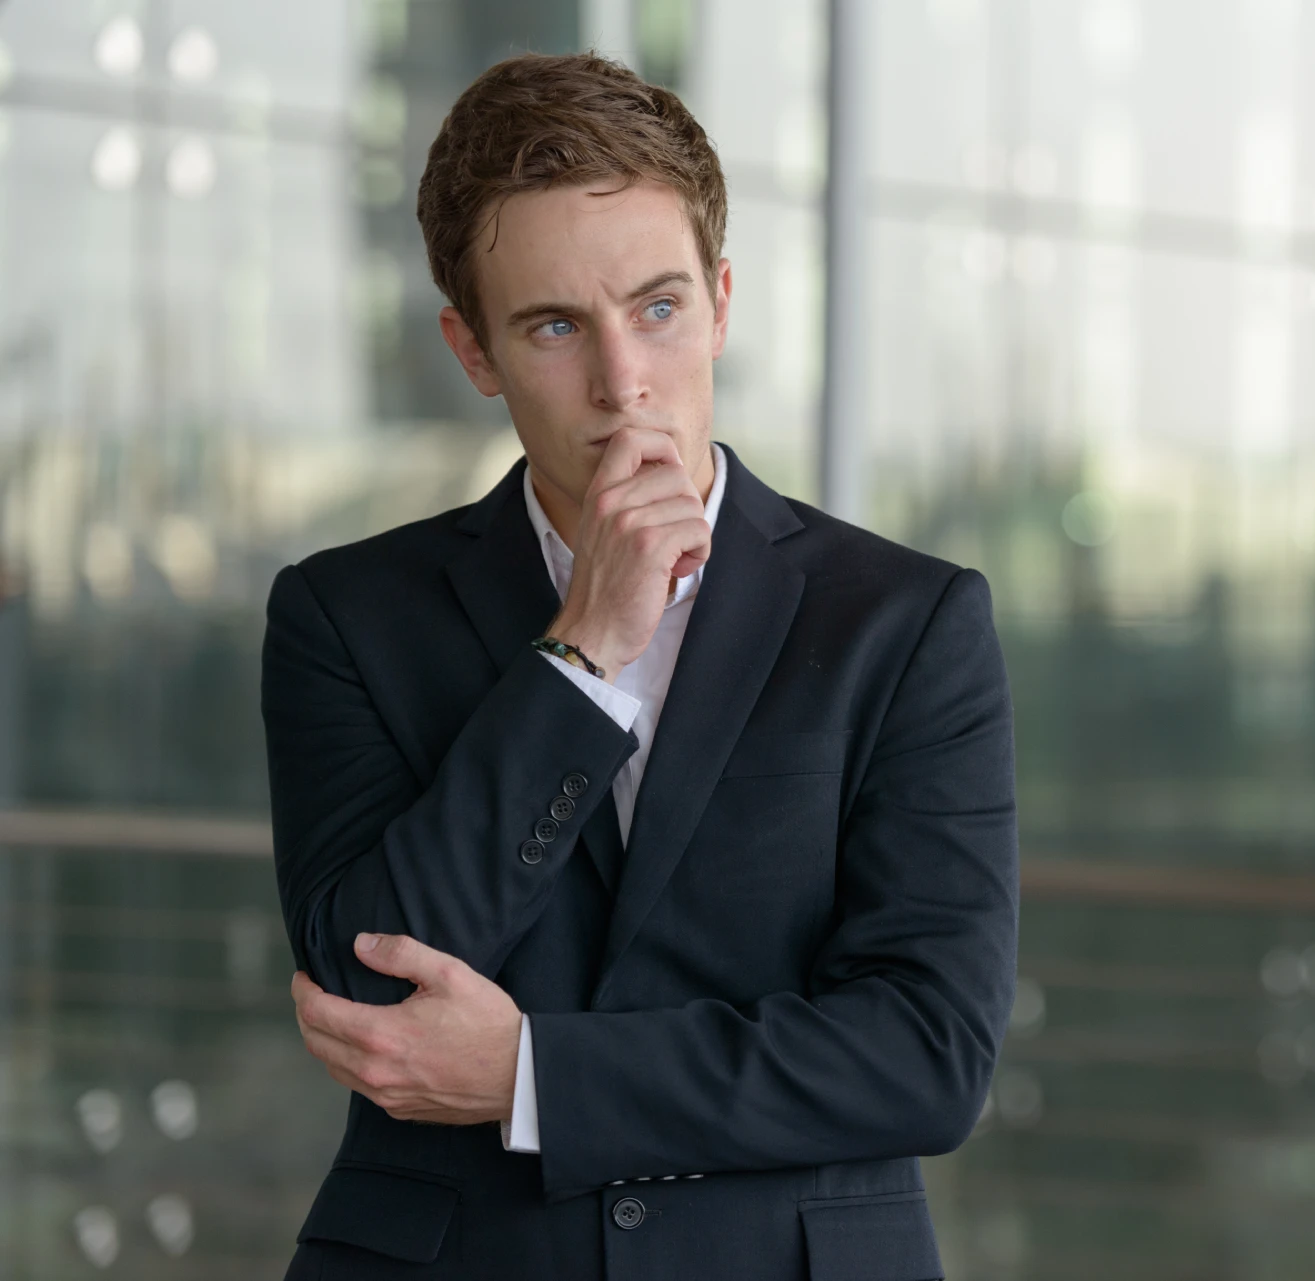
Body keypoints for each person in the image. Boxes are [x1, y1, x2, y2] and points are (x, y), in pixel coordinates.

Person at [260, 52, 1017, 1281]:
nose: (624, 384)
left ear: (721, 301)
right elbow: (371, 994)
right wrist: (585, 655)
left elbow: (927, 1055)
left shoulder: (908, 622)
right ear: (474, 350)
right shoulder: (345, 615)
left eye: (657, 308)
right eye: (555, 326)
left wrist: (531, 1079)